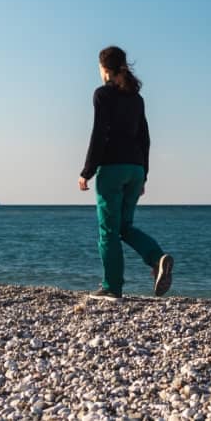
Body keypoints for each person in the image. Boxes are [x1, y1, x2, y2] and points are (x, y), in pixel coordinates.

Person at [79, 46, 173, 301]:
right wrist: (144, 175)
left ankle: (112, 287)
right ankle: (157, 258)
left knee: (108, 230)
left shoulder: (102, 95)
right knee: (124, 226)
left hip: (112, 169)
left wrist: (86, 171)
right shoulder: (136, 98)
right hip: (135, 169)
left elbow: (99, 134)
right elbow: (145, 138)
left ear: (104, 69)